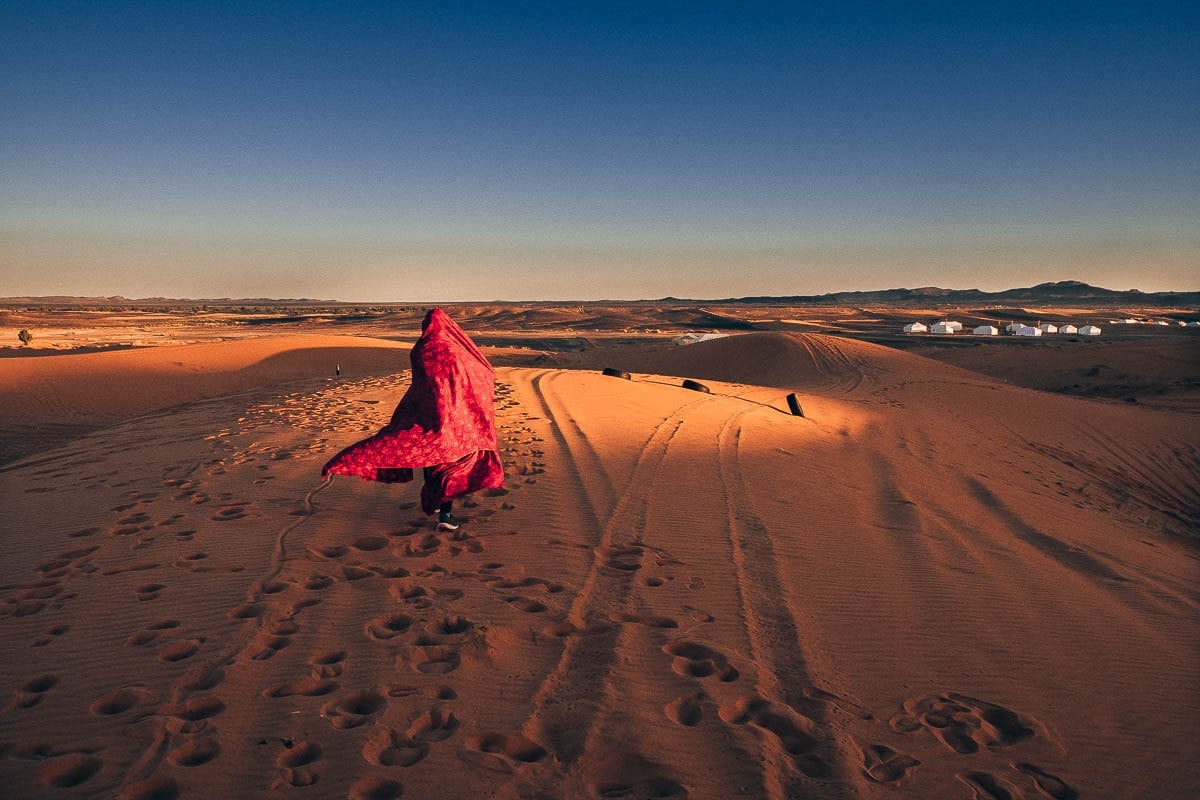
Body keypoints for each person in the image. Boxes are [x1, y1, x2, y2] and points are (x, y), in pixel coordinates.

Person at [321, 308, 504, 531]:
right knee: (450, 463)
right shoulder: (456, 351)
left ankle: (437, 501)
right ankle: (445, 514)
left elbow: (421, 384)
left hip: (425, 415)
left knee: (430, 456)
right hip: (456, 420)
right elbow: (476, 375)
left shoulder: (421, 349)